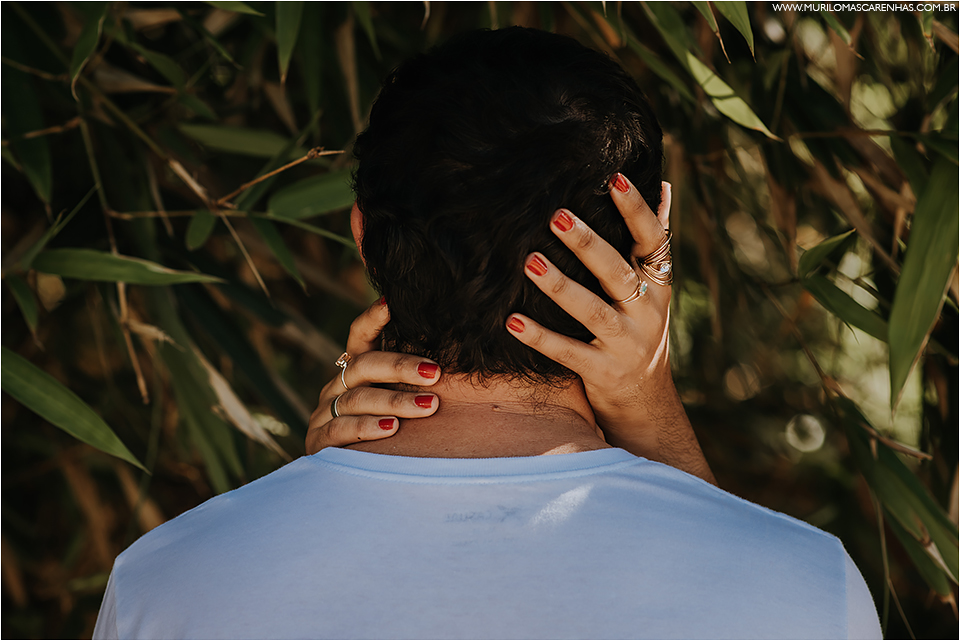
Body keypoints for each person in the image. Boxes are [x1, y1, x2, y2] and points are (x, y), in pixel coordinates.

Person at [93, 27, 881, 639]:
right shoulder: (807, 586)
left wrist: (301, 512)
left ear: (365, 237)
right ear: (643, 249)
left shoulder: (167, 586)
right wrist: (655, 414)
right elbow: (724, 585)